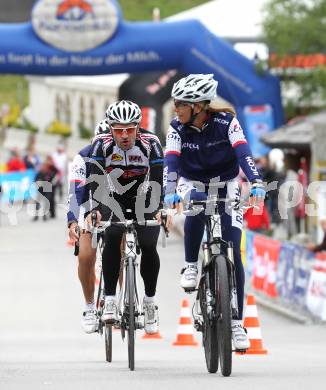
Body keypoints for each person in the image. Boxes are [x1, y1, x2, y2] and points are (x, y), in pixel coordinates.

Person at [163, 74, 266, 350]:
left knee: (234, 250)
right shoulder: (176, 128)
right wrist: (169, 190)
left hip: (227, 183)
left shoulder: (227, 122)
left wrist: (256, 182)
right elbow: (171, 162)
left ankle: (235, 322)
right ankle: (191, 265)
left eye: (180, 103)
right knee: (196, 201)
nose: (176, 108)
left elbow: (244, 153)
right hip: (191, 182)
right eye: (175, 103)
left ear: (198, 106)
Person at [87, 100, 168, 335]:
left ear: (138, 127)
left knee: (150, 244)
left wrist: (160, 208)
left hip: (145, 196)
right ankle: (110, 299)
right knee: (112, 235)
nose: (124, 135)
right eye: (118, 129)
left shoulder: (151, 143)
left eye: (130, 129)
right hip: (113, 197)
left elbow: (158, 181)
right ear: (110, 128)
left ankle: (150, 303)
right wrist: (95, 210)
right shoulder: (100, 145)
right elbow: (95, 182)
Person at [67, 119, 109, 333]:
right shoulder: (82, 157)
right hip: (88, 207)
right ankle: (90, 306)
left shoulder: (122, 154)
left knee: (119, 252)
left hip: (113, 208)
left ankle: (118, 300)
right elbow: (76, 193)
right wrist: (73, 220)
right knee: (85, 256)